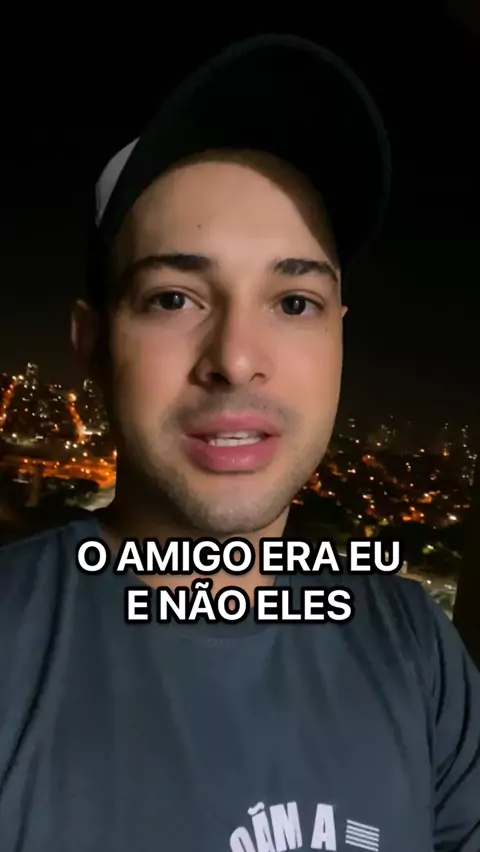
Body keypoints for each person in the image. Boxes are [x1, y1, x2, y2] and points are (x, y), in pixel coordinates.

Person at [0, 34, 479, 852]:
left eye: (294, 302)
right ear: (92, 342)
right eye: (173, 298)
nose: (236, 357)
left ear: (339, 335)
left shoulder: (416, 649)